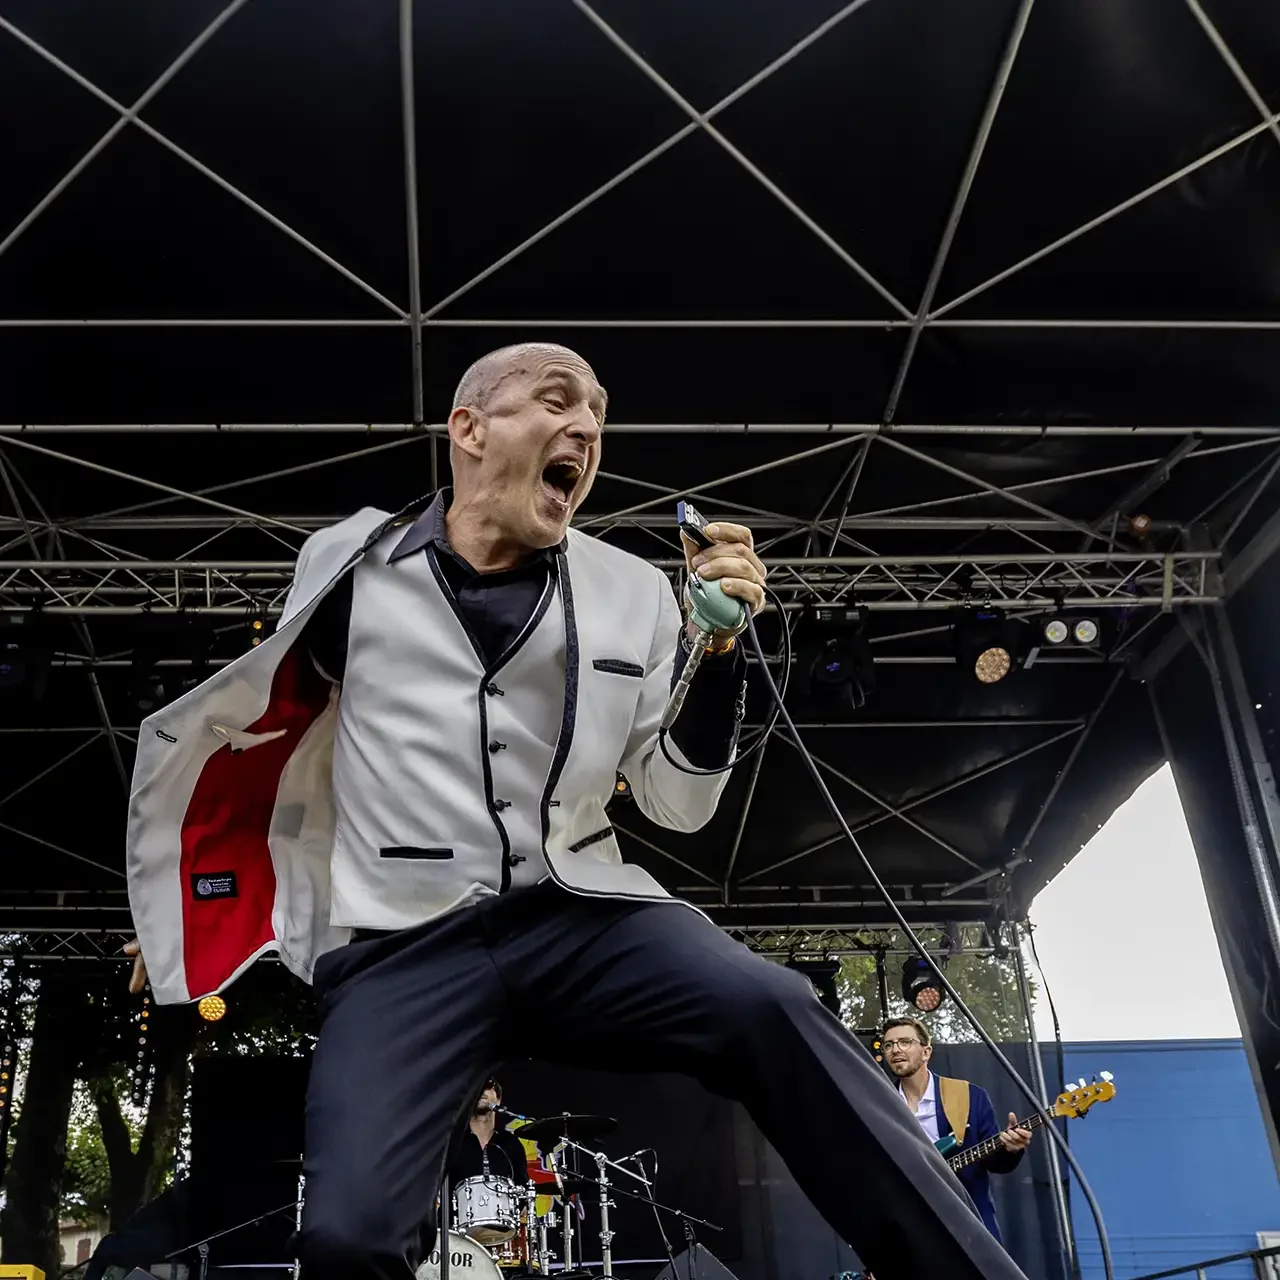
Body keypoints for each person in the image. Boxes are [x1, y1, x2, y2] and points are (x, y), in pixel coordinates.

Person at [124, 343, 1027, 1280]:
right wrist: (174, 902)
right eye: (555, 401)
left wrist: (715, 654)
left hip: (579, 912)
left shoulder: (634, 590)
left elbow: (678, 803)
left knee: (775, 1007)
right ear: (468, 431)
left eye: (597, 413)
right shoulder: (350, 560)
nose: (587, 428)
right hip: (402, 943)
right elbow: (258, 738)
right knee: (347, 1238)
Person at [882, 1016, 1032, 1244]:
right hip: (908, 1228)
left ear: (926, 1052)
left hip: (967, 1224)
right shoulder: (880, 1104)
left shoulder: (970, 1096)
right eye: (889, 1045)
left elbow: (995, 1163)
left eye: (905, 1042)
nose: (895, 1050)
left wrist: (1011, 1149)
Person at [451, 1079, 529, 1188]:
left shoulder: (511, 1143)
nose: (482, 1091)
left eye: (488, 1086)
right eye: (477, 1088)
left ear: (498, 1100)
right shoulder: (453, 1142)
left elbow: (523, 1190)